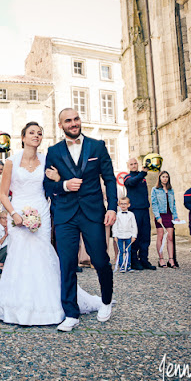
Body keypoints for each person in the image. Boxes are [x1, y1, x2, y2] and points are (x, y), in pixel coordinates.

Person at [0, 120, 105, 327]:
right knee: (20, 256)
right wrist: (15, 214)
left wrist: (58, 176)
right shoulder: (10, 162)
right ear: (23, 137)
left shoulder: (47, 160)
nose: (36, 136)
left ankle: (53, 303)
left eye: (40, 133)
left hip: (41, 210)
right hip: (18, 210)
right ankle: (18, 305)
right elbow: (3, 193)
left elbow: (56, 185)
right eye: (32, 133)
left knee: (43, 254)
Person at [43, 108, 117, 331]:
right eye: (68, 120)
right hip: (65, 214)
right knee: (67, 264)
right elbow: (47, 185)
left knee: (100, 259)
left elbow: (110, 179)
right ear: (61, 125)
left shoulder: (98, 146)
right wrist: (64, 185)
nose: (73, 123)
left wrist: (112, 207)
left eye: (76, 119)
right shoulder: (53, 151)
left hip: (93, 212)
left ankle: (106, 300)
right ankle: (71, 313)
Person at [123, 158, 155, 270]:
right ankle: (134, 260)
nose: (133, 165)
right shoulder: (127, 177)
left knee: (145, 236)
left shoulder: (142, 178)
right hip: (134, 210)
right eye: (131, 164)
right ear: (128, 166)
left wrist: (142, 174)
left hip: (144, 209)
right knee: (135, 235)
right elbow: (133, 182)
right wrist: (143, 173)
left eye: (135, 163)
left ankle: (144, 259)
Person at [151, 171, 180, 268]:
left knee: (170, 237)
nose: (165, 178)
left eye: (167, 177)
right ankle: (161, 259)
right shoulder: (155, 189)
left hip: (169, 215)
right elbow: (154, 204)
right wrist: (157, 216)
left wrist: (175, 216)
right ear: (160, 178)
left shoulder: (171, 190)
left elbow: (173, 204)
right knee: (160, 237)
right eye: (163, 176)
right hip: (160, 215)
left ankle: (171, 260)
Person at [112, 197, 137, 273]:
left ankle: (128, 265)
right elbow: (115, 226)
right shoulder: (117, 215)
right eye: (121, 204)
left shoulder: (131, 215)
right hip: (119, 236)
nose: (123, 205)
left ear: (128, 205)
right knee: (120, 251)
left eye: (125, 204)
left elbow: (134, 226)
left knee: (128, 251)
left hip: (128, 235)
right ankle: (121, 265)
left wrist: (134, 236)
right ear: (119, 205)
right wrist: (115, 235)